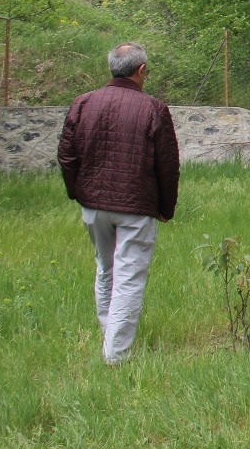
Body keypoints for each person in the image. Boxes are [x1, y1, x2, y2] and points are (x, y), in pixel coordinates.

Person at [58, 43, 181, 365]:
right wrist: (166, 208)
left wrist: (79, 193)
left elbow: (67, 156)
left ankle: (109, 337)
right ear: (140, 71)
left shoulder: (83, 103)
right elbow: (167, 165)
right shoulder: (154, 109)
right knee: (128, 277)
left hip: (93, 207)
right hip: (136, 209)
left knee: (106, 269)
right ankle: (116, 356)